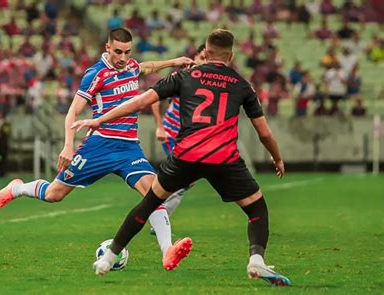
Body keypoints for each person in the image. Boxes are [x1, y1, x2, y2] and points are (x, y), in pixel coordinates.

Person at [73, 29, 291, 286]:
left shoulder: (185, 76)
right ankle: (256, 260)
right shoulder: (242, 85)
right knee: (256, 210)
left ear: (206, 53)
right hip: (224, 158)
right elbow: (264, 133)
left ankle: (108, 259)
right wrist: (277, 158)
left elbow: (140, 101)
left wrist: (99, 119)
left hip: (186, 155)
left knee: (149, 203)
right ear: (231, 56)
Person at [0, 28, 193, 268]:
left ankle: (167, 251)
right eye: (118, 52)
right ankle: (17, 189)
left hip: (128, 148)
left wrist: (174, 62)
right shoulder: (95, 74)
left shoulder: (130, 66)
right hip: (99, 146)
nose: (123, 57)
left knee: (154, 194)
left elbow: (145, 67)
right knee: (55, 194)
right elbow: (73, 112)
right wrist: (68, 146)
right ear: (107, 48)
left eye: (127, 52)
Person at [150, 44, 206, 228]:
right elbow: (155, 98)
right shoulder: (181, 75)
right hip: (172, 133)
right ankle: (158, 215)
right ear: (195, 57)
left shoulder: (209, 81)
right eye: (203, 57)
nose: (206, 62)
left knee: (187, 179)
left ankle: (158, 213)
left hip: (190, 137)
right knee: (182, 176)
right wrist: (159, 126)